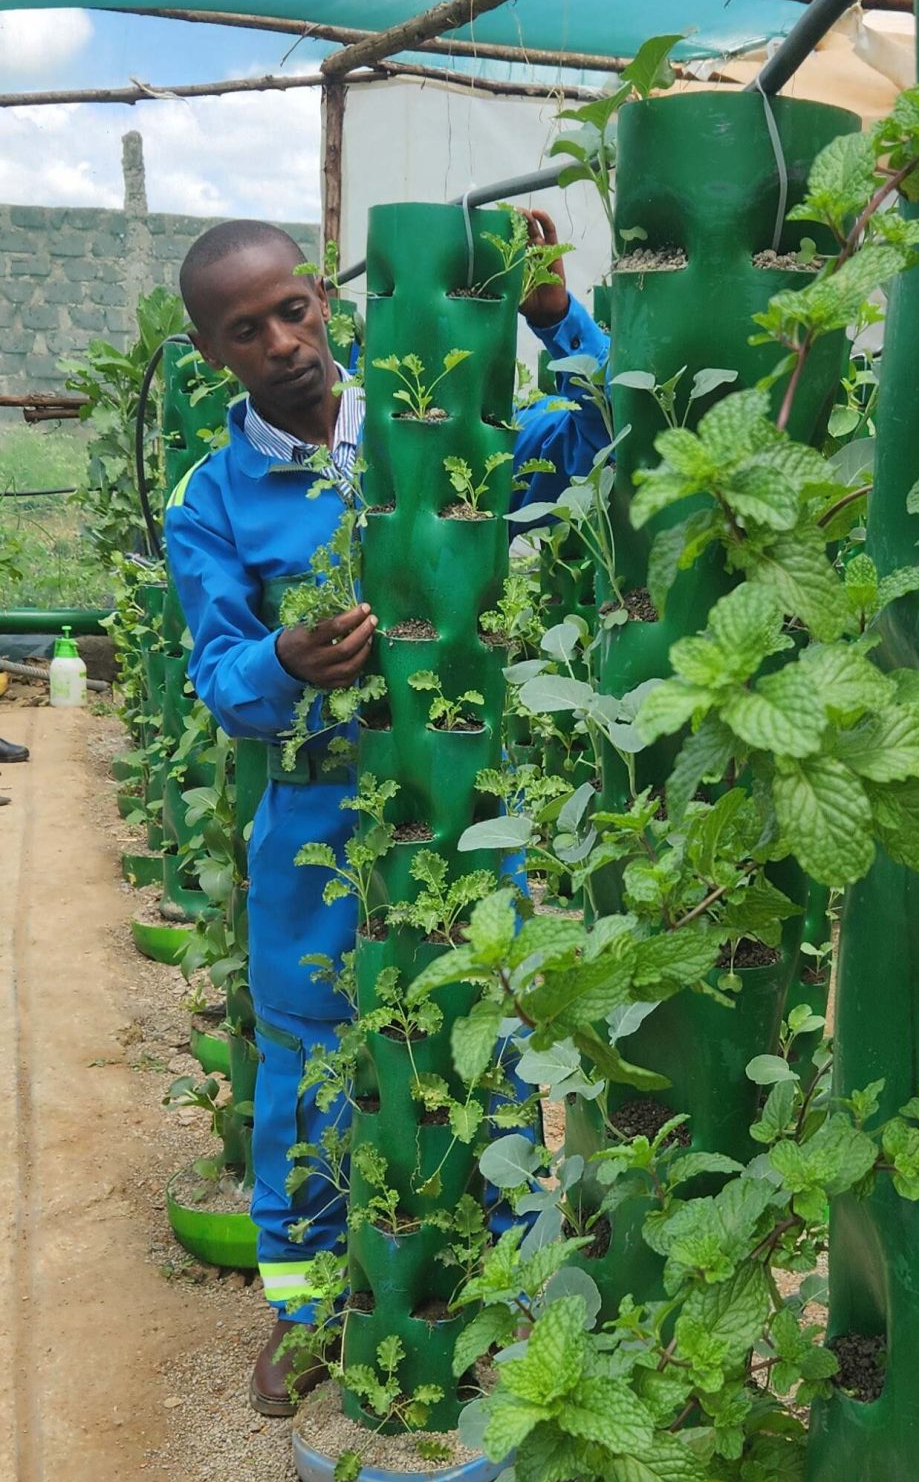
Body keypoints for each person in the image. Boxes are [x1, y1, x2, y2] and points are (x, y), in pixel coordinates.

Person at [165, 211, 609, 1415]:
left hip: (458, 801)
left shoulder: (434, 418)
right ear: (215, 354)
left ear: (328, 300)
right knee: (309, 1062)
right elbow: (215, 676)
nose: (282, 343)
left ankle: (504, 1294)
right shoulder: (215, 498)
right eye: (244, 329)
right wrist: (284, 661)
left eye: (292, 309)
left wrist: (553, 317)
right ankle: (309, 1308)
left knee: (488, 1032)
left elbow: (596, 435)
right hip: (314, 820)